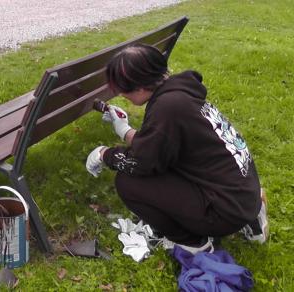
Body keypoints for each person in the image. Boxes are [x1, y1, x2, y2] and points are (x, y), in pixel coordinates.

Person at [85, 44, 268, 253]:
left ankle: (193, 243)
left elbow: (141, 163)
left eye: (122, 89)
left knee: (128, 182)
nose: (120, 94)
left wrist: (105, 154)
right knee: (160, 168)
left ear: (140, 87)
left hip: (224, 211)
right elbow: (159, 145)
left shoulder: (168, 107)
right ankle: (253, 217)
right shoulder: (181, 92)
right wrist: (124, 130)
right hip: (243, 193)